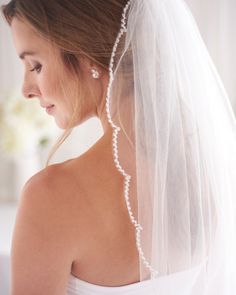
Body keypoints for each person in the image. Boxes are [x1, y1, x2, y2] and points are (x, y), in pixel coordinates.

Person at [1, 0, 236, 294]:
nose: (26, 90)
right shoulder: (206, 168)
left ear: (87, 57)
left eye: (35, 66)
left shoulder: (51, 196)